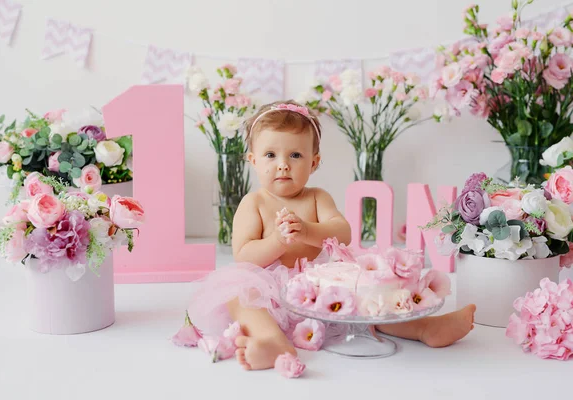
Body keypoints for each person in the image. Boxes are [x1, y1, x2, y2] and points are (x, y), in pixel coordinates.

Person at [187, 100, 476, 371]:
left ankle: (424, 328)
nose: (283, 164)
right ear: (252, 160)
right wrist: (277, 241)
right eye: (271, 155)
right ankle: (272, 341)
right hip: (269, 285)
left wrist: (308, 230)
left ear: (314, 162)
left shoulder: (316, 197)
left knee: (364, 302)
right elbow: (244, 255)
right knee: (241, 297)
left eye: (295, 155)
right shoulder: (254, 202)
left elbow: (344, 232)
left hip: (320, 282)